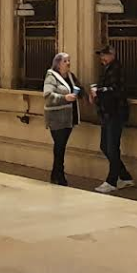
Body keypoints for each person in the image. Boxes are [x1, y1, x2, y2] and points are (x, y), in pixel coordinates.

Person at [91, 45, 134, 193]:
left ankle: (112, 181)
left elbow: (117, 90)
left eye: (105, 55)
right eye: (101, 55)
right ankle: (125, 176)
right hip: (107, 113)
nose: (102, 58)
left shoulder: (117, 69)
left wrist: (99, 91)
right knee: (105, 146)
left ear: (112, 55)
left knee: (112, 147)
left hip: (115, 113)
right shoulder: (108, 68)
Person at [43, 52, 87, 186]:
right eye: (65, 61)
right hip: (56, 118)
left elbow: (78, 88)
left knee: (61, 146)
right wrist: (64, 98)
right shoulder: (51, 77)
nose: (68, 63)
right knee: (59, 145)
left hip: (69, 117)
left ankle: (56, 173)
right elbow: (48, 95)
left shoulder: (70, 76)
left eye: (69, 60)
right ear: (58, 63)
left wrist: (85, 95)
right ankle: (59, 174)